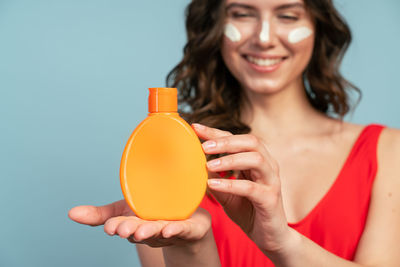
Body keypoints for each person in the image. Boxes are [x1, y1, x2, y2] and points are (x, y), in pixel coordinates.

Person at [68, 0, 400, 266]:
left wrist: (283, 245)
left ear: (318, 27)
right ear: (214, 28)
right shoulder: (172, 154)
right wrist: (191, 247)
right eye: (242, 14)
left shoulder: (388, 152)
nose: (265, 37)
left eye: (287, 15)